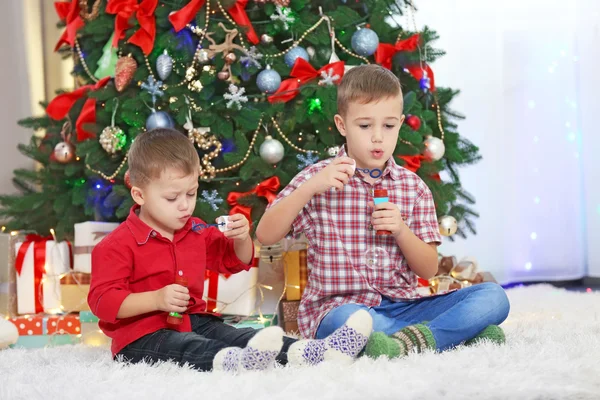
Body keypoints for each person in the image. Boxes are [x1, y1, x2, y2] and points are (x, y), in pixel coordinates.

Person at [256, 64, 509, 359]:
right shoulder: (316, 180)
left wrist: (401, 230)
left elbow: (427, 269)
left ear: (400, 124)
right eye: (365, 126)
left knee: (493, 298)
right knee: (351, 323)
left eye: (388, 126)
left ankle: (407, 342)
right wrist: (309, 189)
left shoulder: (413, 188)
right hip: (339, 310)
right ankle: (450, 336)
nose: (377, 137)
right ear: (342, 125)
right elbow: (265, 234)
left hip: (406, 306)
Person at [88, 128, 373, 373]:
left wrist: (240, 238)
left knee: (237, 334)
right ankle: (234, 363)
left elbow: (235, 261)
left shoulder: (195, 230)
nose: (185, 205)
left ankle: (317, 352)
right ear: (140, 194)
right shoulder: (115, 246)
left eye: (191, 193)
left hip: (193, 320)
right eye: (172, 198)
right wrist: (156, 299)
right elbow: (103, 302)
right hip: (141, 337)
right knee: (188, 347)